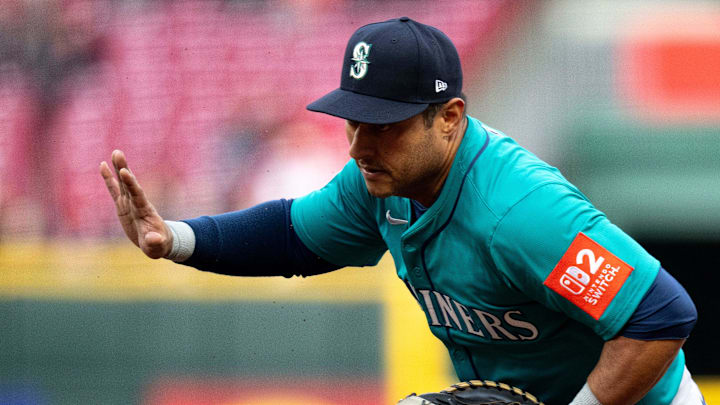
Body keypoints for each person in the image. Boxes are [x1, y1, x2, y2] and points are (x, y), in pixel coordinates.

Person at [100, 17, 704, 405]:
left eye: (384, 126)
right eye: (354, 122)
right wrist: (173, 237)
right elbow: (291, 236)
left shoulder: (518, 209)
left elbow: (660, 315)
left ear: (449, 118)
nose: (361, 145)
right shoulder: (377, 181)